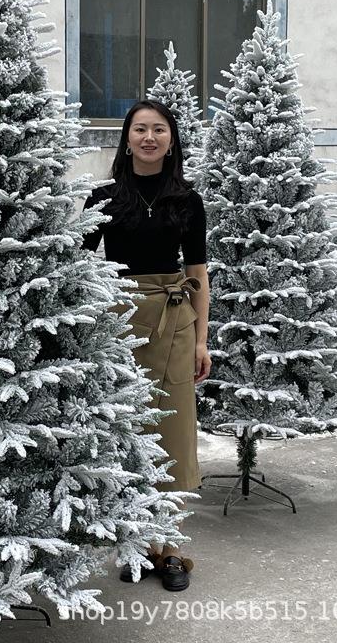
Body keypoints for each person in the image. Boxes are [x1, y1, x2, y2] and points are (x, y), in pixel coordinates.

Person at [81, 98, 210, 593]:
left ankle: (171, 547)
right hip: (119, 323)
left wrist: (202, 338)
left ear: (171, 139)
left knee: (174, 431)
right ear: (127, 138)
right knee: (127, 432)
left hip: (175, 319)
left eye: (159, 129)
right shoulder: (103, 197)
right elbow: (81, 264)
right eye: (140, 129)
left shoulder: (188, 200)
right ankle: (136, 543)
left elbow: (197, 273)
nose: (149, 137)